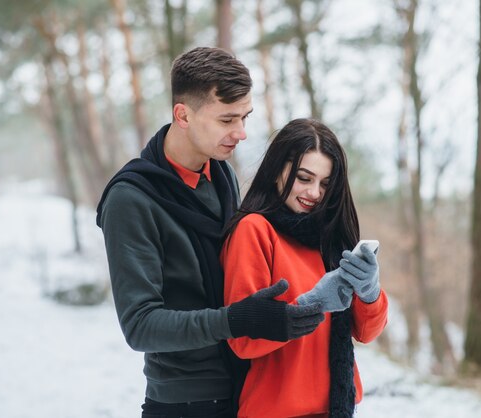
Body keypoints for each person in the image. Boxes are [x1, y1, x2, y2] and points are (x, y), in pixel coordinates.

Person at [96, 47, 324, 418]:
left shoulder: (221, 176)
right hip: (186, 401)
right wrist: (236, 320)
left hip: (245, 388)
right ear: (183, 115)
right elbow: (140, 326)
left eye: (245, 117)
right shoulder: (130, 199)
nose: (242, 133)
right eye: (227, 120)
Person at [222, 118, 389, 418]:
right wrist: (310, 304)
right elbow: (241, 338)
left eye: (325, 183)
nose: (314, 193)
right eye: (303, 177)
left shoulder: (330, 237)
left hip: (336, 410)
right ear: (277, 172)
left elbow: (365, 333)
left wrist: (369, 292)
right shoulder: (255, 230)